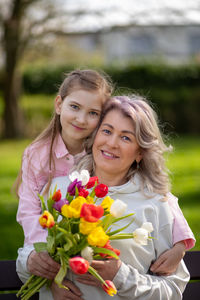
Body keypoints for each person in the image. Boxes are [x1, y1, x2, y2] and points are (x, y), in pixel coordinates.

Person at [17, 95, 192, 299]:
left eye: (126, 137)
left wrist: (121, 277)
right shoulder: (60, 190)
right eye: (107, 131)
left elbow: (173, 289)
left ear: (140, 153)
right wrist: (32, 264)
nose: (112, 143)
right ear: (94, 136)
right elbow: (29, 256)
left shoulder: (156, 204)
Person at [16, 69, 113, 298]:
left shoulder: (102, 151)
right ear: (59, 104)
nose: (81, 119)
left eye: (93, 113)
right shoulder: (37, 155)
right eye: (75, 107)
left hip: (89, 250)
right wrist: (47, 255)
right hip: (49, 246)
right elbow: (28, 212)